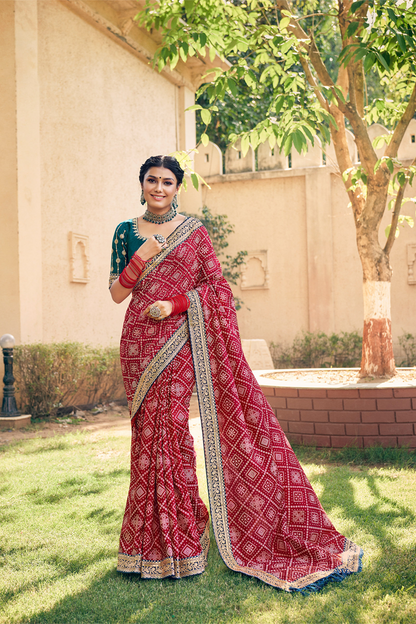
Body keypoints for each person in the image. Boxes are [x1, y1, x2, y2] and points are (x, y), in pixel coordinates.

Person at [109, 155, 363, 592]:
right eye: (151, 180)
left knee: (170, 432)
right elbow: (116, 292)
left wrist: (175, 305)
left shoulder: (194, 232)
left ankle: (183, 541)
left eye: (167, 182)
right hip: (137, 344)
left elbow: (217, 290)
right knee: (145, 439)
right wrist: (142, 259)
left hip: (179, 341)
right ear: (142, 183)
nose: (159, 188)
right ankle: (145, 545)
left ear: (177, 187)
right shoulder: (125, 231)